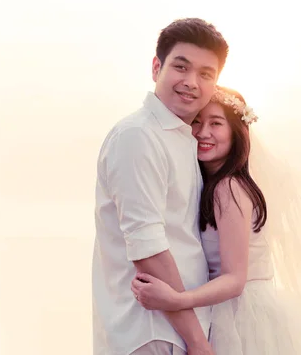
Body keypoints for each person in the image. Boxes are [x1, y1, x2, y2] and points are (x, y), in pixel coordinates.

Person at [130, 86, 301, 354]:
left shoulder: (229, 188)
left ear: (237, 132)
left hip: (243, 316)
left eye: (216, 123)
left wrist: (176, 299)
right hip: (228, 309)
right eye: (197, 122)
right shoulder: (213, 185)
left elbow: (235, 279)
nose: (203, 132)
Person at [92, 18, 229, 355]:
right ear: (157, 68)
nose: (191, 82)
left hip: (174, 329)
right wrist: (197, 341)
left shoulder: (181, 139)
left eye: (205, 74)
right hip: (151, 330)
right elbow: (147, 247)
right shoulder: (138, 136)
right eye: (180, 67)